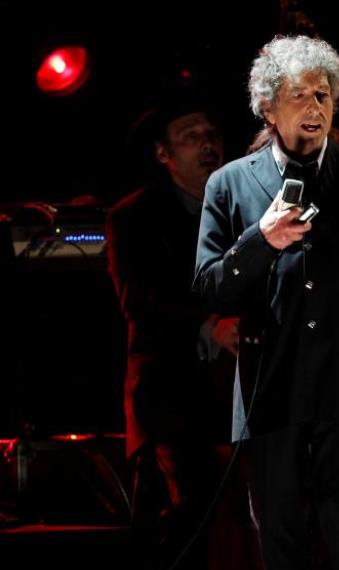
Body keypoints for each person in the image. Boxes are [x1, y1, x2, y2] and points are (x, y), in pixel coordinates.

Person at [193, 35, 339, 570]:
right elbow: (209, 286)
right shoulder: (229, 184)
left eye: (323, 96)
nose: (314, 107)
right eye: (300, 95)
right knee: (277, 522)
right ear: (268, 106)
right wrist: (261, 239)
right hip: (271, 379)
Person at [106, 95, 240, 569]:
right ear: (163, 155)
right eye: (191, 137)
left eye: (212, 135)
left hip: (237, 398)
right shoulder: (134, 216)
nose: (207, 144)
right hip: (172, 398)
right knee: (189, 518)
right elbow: (138, 301)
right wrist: (207, 324)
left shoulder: (244, 207)